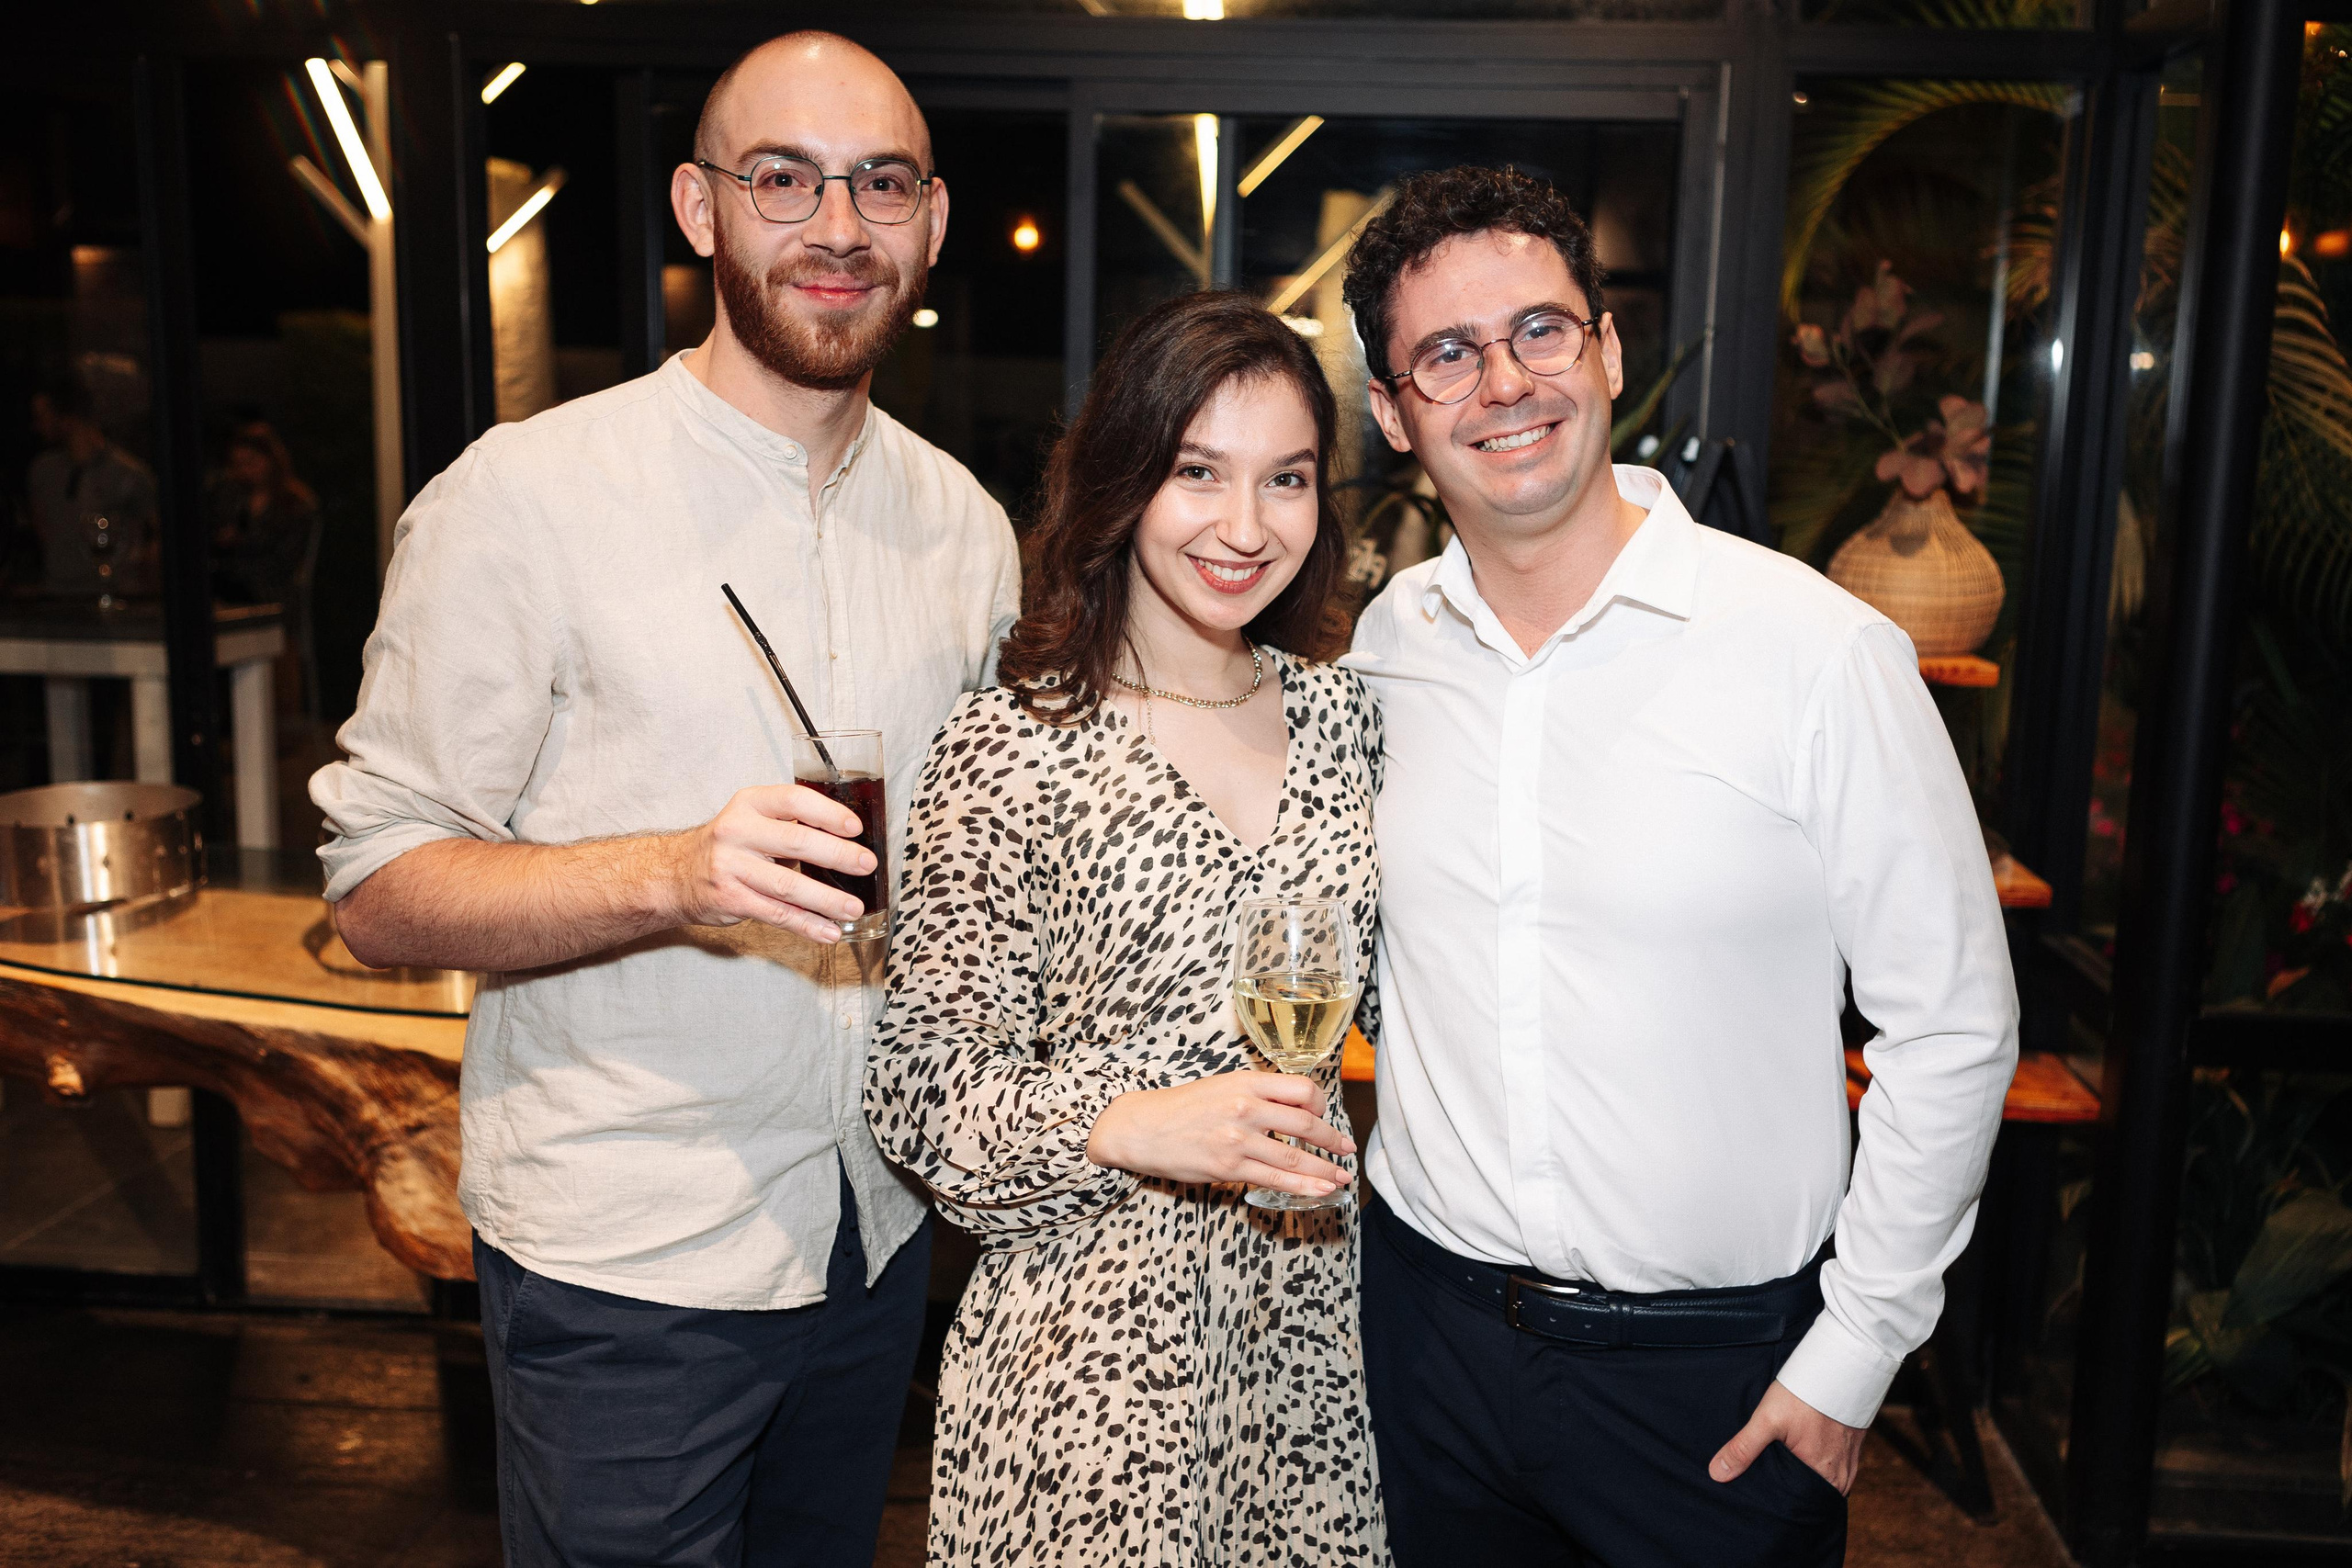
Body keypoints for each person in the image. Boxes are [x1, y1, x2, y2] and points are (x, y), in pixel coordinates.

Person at [311, 32, 1017, 1568]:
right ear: (701, 209)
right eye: (785, 179)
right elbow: (375, 893)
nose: (839, 226)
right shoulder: (523, 499)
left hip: (874, 1236)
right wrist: (680, 873)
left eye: (880, 184)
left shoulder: (963, 526)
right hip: (626, 1266)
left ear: (934, 222)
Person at [1339, 165, 2018, 1567]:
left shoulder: (1816, 650)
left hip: (1711, 1385)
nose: (1505, 383)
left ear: (1609, 347)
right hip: (1425, 1349)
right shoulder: (1383, 650)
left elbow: (1953, 1022)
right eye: (1447, 353)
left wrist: (1856, 1352)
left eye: (1540, 329)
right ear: (1396, 413)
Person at [865, 292, 1389, 1567]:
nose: (1244, 524)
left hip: (1302, 1333)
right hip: (1087, 1358)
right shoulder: (1017, 741)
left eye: (1289, 479)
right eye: (1198, 471)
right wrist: (1133, 1119)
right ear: (1125, 473)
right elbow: (919, 1083)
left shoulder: (1347, 720)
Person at [27, 373, 156, 601]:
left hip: (114, 598)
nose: (36, 426)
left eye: (42, 416)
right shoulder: (42, 470)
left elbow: (155, 537)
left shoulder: (129, 474)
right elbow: (42, 526)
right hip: (56, 597)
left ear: (68, 417)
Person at [209, 422, 319, 609]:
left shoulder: (294, 504)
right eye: (239, 465)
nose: (245, 471)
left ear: (271, 460)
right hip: (232, 589)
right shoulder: (234, 499)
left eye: (251, 462)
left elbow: (285, 561)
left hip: (270, 592)